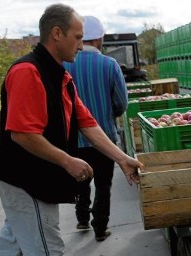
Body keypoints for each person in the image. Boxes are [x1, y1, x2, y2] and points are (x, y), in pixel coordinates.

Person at [0, 3, 143, 256]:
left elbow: (86, 122)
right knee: (47, 241)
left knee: (14, 237)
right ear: (57, 33)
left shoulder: (60, 74)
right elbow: (22, 134)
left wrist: (121, 158)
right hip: (25, 175)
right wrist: (67, 160)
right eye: (77, 37)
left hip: (37, 172)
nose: (81, 43)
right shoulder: (27, 72)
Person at [63, 15, 128, 242]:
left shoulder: (64, 65)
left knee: (80, 180)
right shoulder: (109, 65)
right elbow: (121, 103)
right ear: (99, 39)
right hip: (105, 138)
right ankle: (100, 227)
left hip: (73, 140)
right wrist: (110, 114)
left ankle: (81, 217)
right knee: (103, 183)